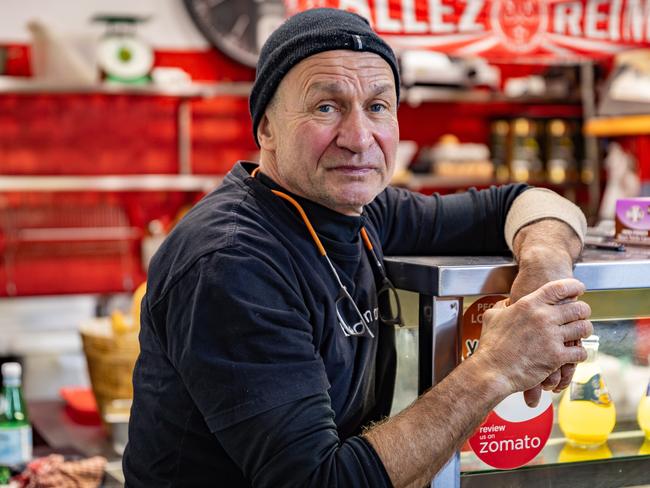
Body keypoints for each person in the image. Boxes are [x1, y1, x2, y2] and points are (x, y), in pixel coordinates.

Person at [123, 8, 592, 487]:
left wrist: (545, 272)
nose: (359, 138)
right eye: (326, 107)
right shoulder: (232, 261)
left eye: (378, 106)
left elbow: (524, 201)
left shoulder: (366, 212)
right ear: (266, 129)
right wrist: (496, 367)